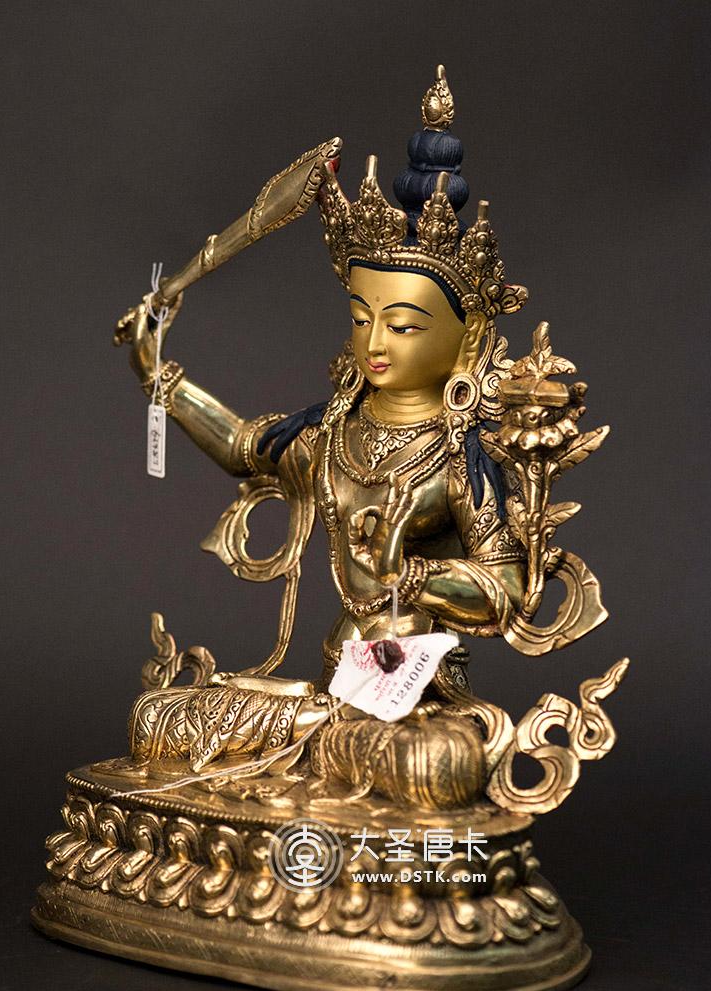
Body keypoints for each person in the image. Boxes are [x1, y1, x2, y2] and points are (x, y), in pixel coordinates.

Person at [112, 67, 537, 809]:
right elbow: (244, 447)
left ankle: (330, 748)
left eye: (402, 325)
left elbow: (507, 591)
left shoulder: (459, 459)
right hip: (330, 688)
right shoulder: (334, 432)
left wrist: (412, 575)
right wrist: (158, 376)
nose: (375, 342)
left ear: (467, 339)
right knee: (160, 720)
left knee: (430, 760)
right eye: (362, 317)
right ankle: (312, 741)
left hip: (409, 697)